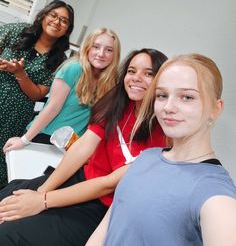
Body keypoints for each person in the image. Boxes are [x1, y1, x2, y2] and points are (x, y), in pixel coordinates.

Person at [0, 48, 168, 246]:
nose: (136, 78)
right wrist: (41, 191)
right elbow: (83, 147)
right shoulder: (118, 105)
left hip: (102, 206)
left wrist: (42, 201)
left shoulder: (163, 133)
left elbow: (108, 184)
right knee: (9, 195)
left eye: (148, 73)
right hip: (80, 178)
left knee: (8, 234)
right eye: (132, 71)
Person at [86, 53, 236, 246]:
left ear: (215, 109)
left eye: (187, 97)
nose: (168, 107)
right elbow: (108, 225)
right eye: (162, 95)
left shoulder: (215, 194)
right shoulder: (146, 158)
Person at [3, 27, 121, 151]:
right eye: (96, 47)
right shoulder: (74, 68)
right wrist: (24, 140)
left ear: (115, 55)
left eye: (109, 50)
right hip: (44, 137)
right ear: (87, 48)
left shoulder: (110, 82)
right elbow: (53, 107)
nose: (101, 54)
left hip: (71, 145)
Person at [0, 0, 74, 187]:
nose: (57, 22)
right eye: (53, 15)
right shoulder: (19, 31)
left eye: (64, 21)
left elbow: (37, 94)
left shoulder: (60, 60)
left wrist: (19, 73)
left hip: (14, 115)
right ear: (43, 16)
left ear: (67, 29)